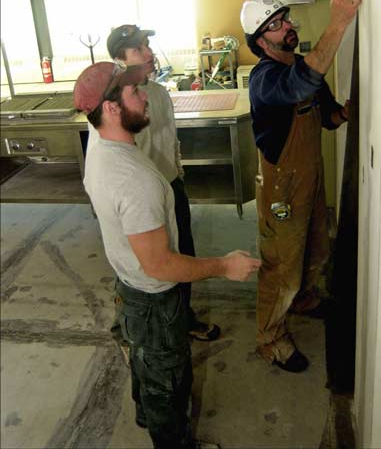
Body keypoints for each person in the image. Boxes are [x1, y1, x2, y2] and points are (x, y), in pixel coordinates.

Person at [74, 61, 261, 449]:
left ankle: (144, 411)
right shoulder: (133, 179)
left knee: (144, 364)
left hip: (128, 284)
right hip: (155, 298)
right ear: (110, 108)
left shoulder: (100, 146)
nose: (145, 95)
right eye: (134, 91)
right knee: (168, 382)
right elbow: (160, 264)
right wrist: (225, 265)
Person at [240, 0, 361, 373]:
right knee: (281, 267)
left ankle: (306, 299)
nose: (288, 25)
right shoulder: (265, 79)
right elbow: (300, 85)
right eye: (275, 24)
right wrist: (339, 20)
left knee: (315, 249)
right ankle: (270, 338)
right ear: (260, 40)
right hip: (282, 186)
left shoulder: (297, 63)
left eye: (285, 18)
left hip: (309, 177)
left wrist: (344, 114)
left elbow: (324, 114)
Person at [87, 24, 220, 342]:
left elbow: (169, 140)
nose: (148, 53)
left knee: (181, 252)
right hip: (136, 197)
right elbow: (98, 163)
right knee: (141, 266)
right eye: (138, 48)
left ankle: (182, 316)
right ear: (120, 60)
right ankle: (130, 323)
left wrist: (178, 178)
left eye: (147, 45)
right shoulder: (114, 107)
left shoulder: (157, 94)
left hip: (169, 188)